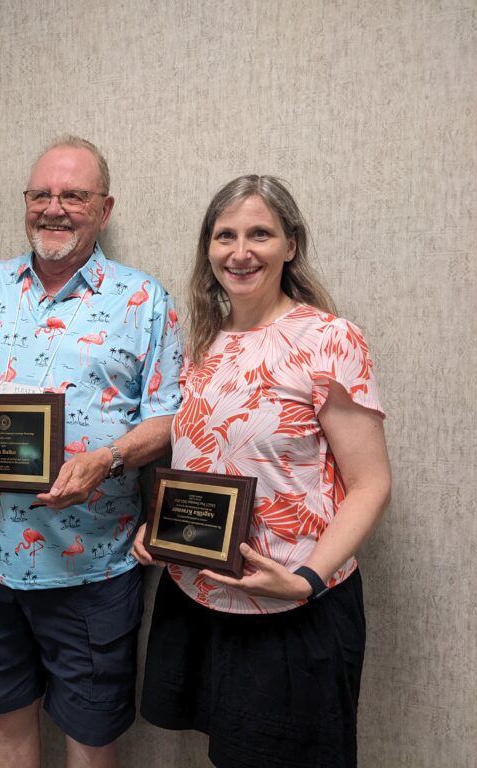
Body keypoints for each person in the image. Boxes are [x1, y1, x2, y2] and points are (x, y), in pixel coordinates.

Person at [133, 175, 392, 768]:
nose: (240, 251)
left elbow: (372, 483)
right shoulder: (204, 341)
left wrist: (306, 579)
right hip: (199, 597)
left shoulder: (330, 339)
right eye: (225, 236)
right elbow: (202, 458)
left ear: (290, 244)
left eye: (260, 234)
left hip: (290, 608)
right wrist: (163, 527)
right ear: (208, 248)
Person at [0, 136, 183, 768]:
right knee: (8, 719)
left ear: (103, 209)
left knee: (91, 735)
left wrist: (107, 460)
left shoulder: (144, 298)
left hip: (93, 568)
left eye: (73, 195)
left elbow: (168, 419)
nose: (54, 208)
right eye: (41, 194)